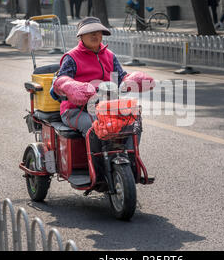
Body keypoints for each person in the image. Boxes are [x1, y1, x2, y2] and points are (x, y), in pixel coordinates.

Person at [51, 17, 155, 164]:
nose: (95, 35)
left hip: (108, 107)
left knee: (133, 122)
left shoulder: (110, 56)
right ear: (81, 36)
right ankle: (96, 166)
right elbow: (59, 84)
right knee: (94, 126)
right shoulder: (71, 57)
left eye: (97, 32)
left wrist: (132, 80)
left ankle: (131, 160)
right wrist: (71, 87)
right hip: (76, 110)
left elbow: (121, 77)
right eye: (90, 32)